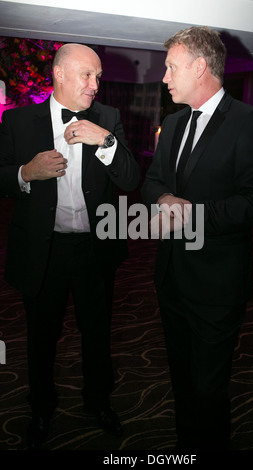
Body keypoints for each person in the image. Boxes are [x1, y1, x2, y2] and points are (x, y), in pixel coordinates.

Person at [141, 26, 253, 450]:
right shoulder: (174, 122)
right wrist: (163, 196)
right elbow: (152, 183)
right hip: (172, 278)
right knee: (181, 378)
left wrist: (191, 215)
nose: (164, 77)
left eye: (170, 67)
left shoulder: (249, 120)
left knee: (208, 387)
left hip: (218, 285)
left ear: (200, 67)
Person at [0, 43, 140, 449]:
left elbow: (131, 179)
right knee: (40, 337)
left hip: (95, 250)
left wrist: (106, 142)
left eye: (98, 76)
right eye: (86, 75)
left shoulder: (108, 118)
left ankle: (98, 402)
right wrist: (27, 172)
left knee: (97, 334)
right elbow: (1, 175)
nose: (95, 85)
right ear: (59, 74)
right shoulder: (18, 120)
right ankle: (41, 408)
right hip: (44, 250)